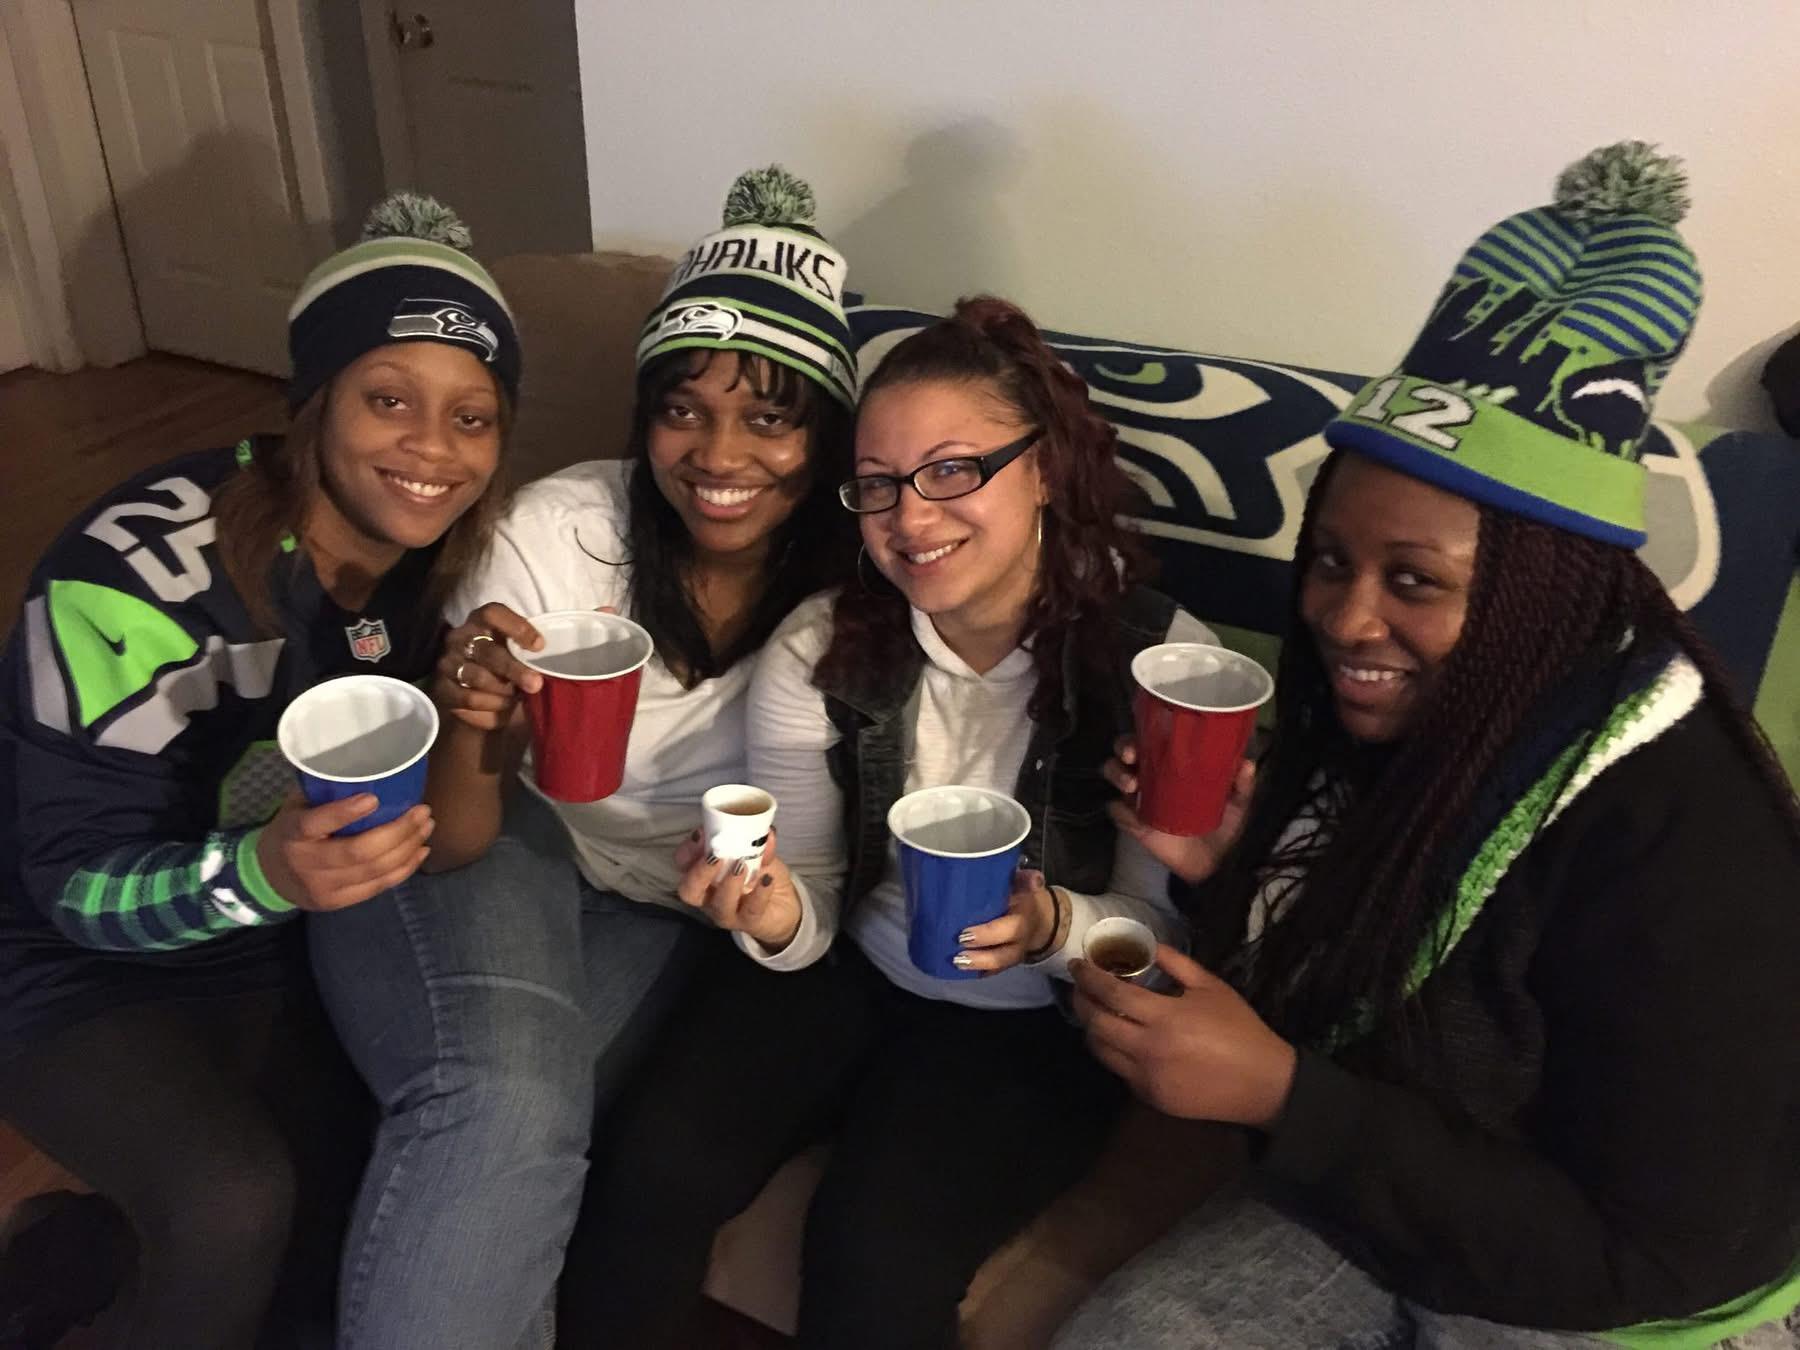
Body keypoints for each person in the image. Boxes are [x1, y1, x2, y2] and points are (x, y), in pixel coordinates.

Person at [1054, 143, 1800, 1350]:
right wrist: (1235, 865)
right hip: (1400, 1188)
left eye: (1416, 581)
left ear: (1537, 600)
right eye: (1333, 564)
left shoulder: (1689, 844)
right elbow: (1369, 1002)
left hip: (1632, 1299)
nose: (1349, 620)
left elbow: (1645, 1250)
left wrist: (1285, 1098)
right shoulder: (1374, 718)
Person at [564, 296, 1213, 1348]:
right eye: (878, 487)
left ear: (1042, 468)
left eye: (955, 471)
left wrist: (1056, 932)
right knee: (650, 1168)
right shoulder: (824, 646)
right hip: (849, 968)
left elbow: (1161, 943)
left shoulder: (1158, 667)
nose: (911, 519)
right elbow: (812, 892)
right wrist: (771, 914)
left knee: (874, 1250)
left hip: (1033, 1020)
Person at [306, 166, 859, 1350]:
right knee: (506, 1104)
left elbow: (811, 877)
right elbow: (460, 826)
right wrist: (468, 716)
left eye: (770, 416)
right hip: (510, 835)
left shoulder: (855, 590)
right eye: (682, 407)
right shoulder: (564, 529)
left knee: (532, 1137)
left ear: (825, 436)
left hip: (670, 903)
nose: (719, 453)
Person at [0, 194, 518, 1348]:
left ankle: (70, 1254)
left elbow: (451, 836)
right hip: (63, 952)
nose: (434, 450)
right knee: (232, 1197)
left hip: (267, 932)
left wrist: (477, 729)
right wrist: (262, 878)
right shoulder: (130, 577)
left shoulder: (438, 570)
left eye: (472, 418)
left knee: (370, 1182)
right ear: (312, 400)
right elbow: (70, 889)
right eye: (390, 400)